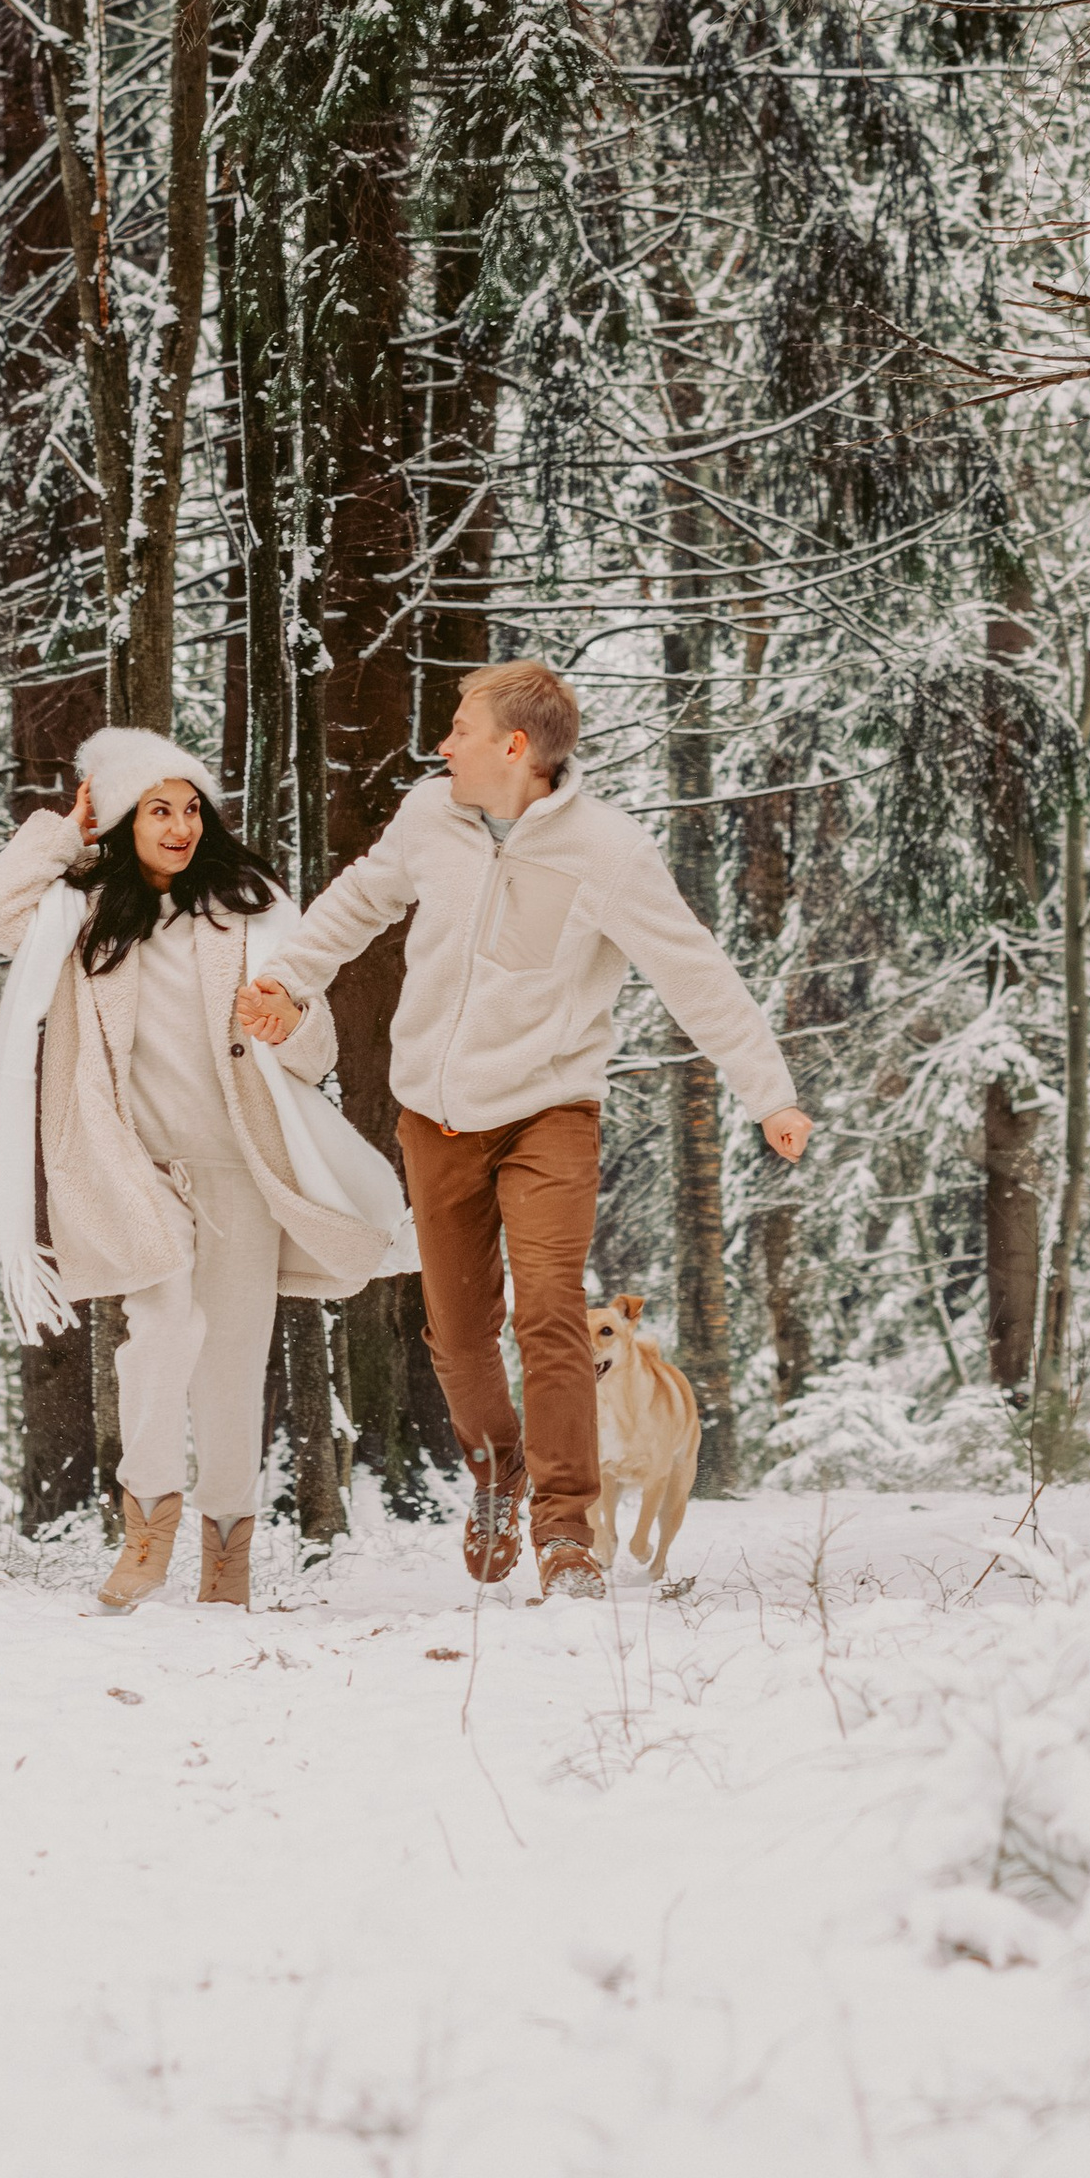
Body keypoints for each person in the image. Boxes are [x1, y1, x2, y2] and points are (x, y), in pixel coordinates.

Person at [236, 661, 811, 1601]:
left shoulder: (608, 852)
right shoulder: (430, 816)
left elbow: (693, 971)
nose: (442, 745)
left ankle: (567, 1531)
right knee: (459, 1333)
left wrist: (769, 1094)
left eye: (459, 729)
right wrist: (290, 978)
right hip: (435, 1114)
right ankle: (500, 1471)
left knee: (551, 1312)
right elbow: (358, 898)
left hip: (551, 1110)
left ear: (514, 747)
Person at [0, 729, 394, 1613]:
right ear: (124, 822)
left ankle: (227, 1556)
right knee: (158, 1336)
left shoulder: (251, 907)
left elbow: (312, 1044)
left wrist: (288, 1026)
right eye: (159, 809)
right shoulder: (78, 916)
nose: (181, 825)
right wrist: (62, 832)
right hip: (129, 1164)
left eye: (191, 808)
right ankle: (148, 1523)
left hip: (237, 1163)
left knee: (232, 1361)